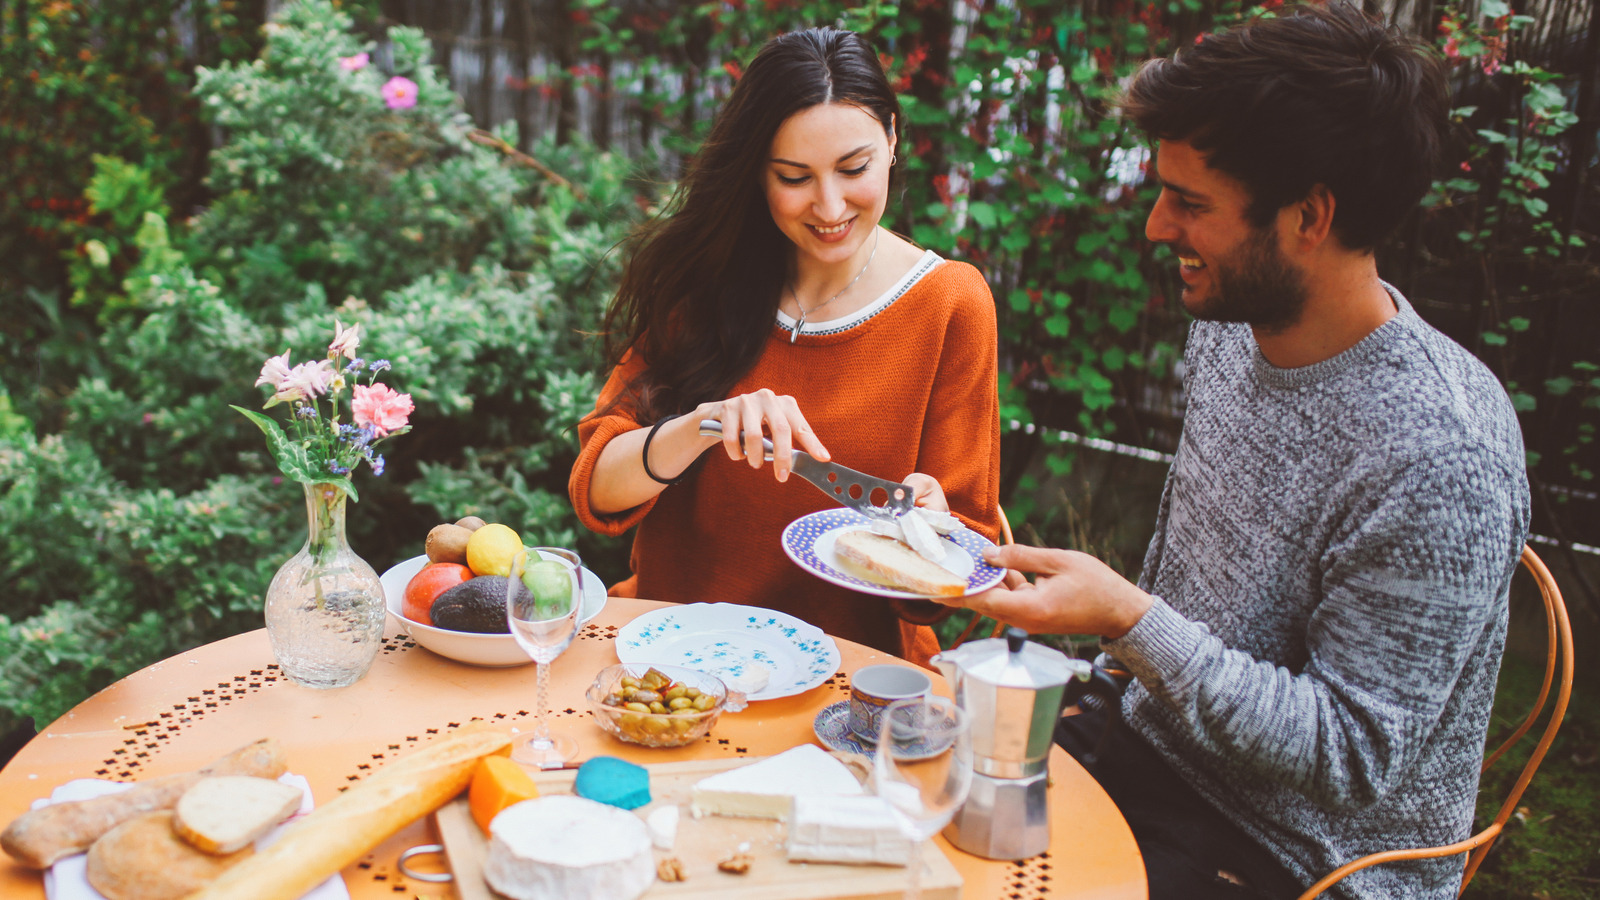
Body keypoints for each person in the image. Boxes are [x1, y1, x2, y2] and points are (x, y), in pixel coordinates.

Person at [937, 5, 1529, 899]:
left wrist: (1132, 622)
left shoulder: (1442, 458)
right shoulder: (1234, 330)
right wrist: (1110, 650)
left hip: (1300, 854)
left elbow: (1349, 757)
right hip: (1148, 740)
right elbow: (1190, 561)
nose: (1155, 228)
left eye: (1190, 203)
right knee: (896, 802)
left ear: (1309, 218)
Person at [570, 27, 1002, 667]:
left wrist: (935, 537)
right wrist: (701, 426)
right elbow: (595, 490)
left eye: (853, 169)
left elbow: (958, 578)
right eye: (795, 177)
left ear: (892, 138)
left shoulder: (950, 307)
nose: (830, 206)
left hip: (850, 679)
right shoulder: (712, 278)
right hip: (673, 659)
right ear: (757, 173)